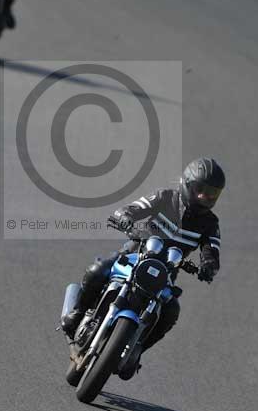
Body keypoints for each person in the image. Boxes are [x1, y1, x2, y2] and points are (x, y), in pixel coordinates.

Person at [61, 157, 225, 378]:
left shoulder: (211, 224)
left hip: (165, 274)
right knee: (97, 269)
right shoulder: (165, 197)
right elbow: (131, 209)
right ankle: (78, 312)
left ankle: (137, 350)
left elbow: (212, 252)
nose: (204, 197)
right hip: (134, 254)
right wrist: (125, 220)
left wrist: (208, 266)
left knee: (171, 311)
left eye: (211, 193)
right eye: (200, 190)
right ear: (187, 183)